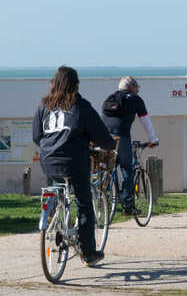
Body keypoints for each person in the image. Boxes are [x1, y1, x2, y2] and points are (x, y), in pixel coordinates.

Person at [33, 66, 115, 266]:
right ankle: (88, 253)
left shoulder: (44, 106)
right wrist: (110, 146)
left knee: (59, 189)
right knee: (84, 203)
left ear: (54, 82)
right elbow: (101, 136)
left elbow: (37, 137)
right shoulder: (81, 106)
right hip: (74, 163)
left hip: (49, 162)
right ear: (75, 84)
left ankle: (57, 219)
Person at [101, 76, 159, 214]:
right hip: (121, 137)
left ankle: (103, 192)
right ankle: (128, 205)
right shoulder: (135, 99)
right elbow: (145, 121)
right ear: (131, 87)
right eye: (137, 87)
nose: (138, 90)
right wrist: (153, 139)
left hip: (103, 137)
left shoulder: (110, 98)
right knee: (126, 167)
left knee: (107, 166)